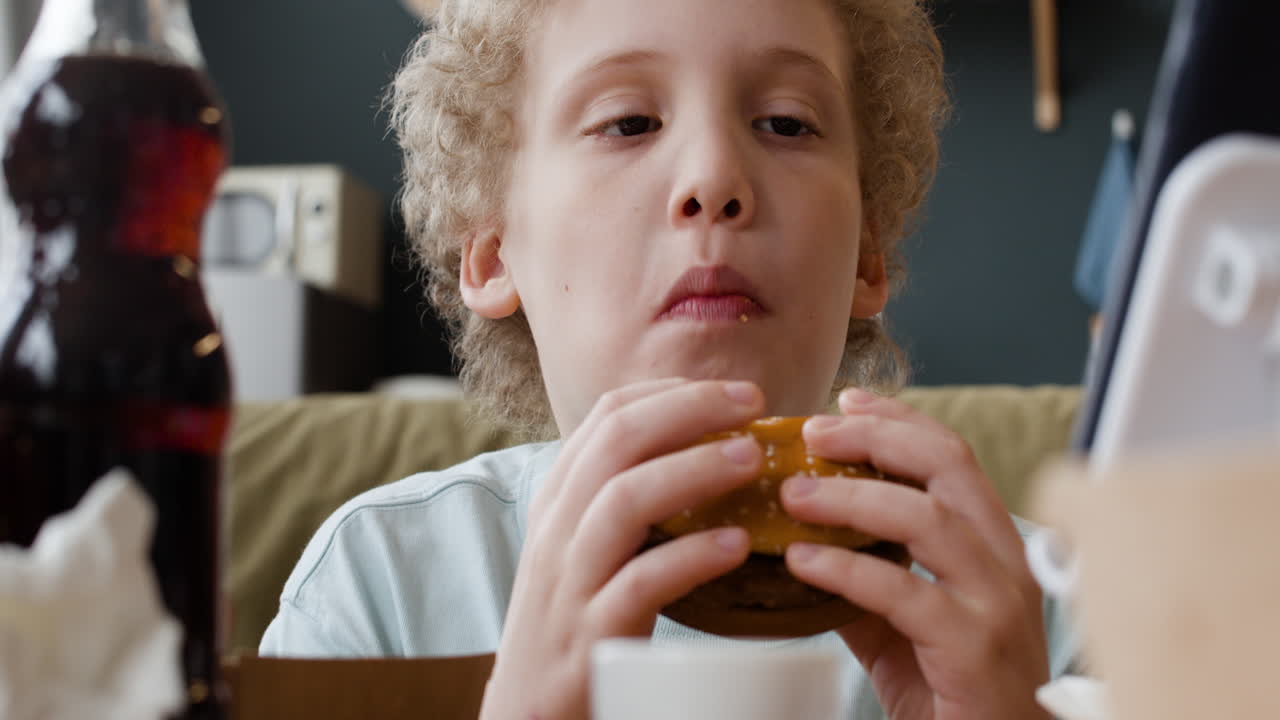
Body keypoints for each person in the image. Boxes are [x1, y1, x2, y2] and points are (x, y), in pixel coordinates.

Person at [259, 0, 1077, 717]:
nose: (714, 178)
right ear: (493, 251)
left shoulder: (1047, 612)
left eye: (786, 123)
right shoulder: (379, 585)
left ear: (869, 252)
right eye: (628, 123)